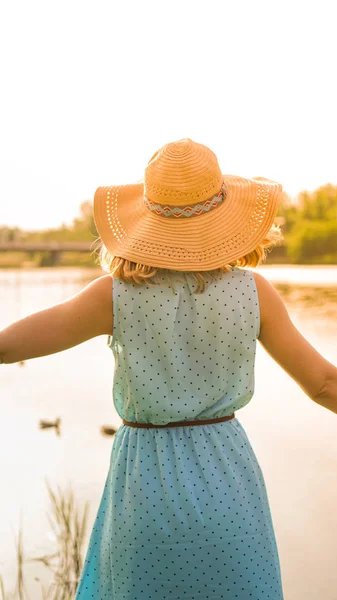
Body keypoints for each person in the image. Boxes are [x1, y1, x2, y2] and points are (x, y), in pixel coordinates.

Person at [1, 138, 336, 600]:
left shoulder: (113, 296)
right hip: (229, 481)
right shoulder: (254, 293)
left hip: (145, 485)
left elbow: (8, 346)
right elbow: (324, 384)